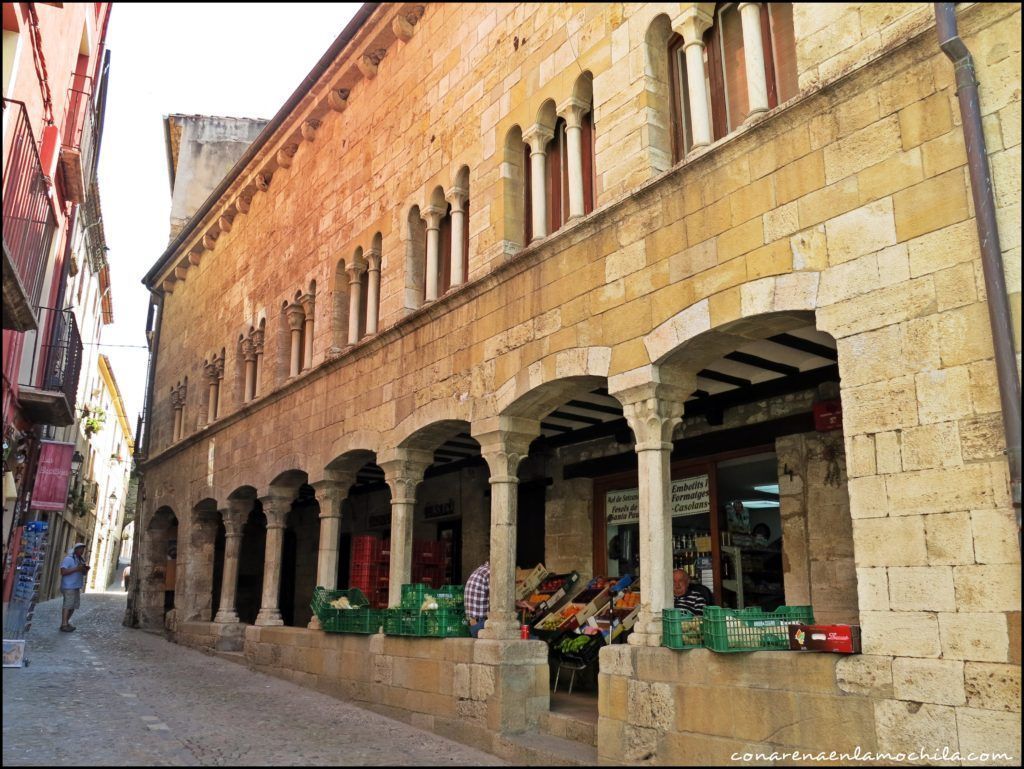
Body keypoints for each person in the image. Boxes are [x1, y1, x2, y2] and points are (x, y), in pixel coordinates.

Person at [59, 543, 90, 632]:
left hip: (76, 586)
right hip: (68, 586)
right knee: (67, 605)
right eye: (80, 549)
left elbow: (82, 573)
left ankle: (65, 622)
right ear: (75, 549)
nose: (82, 551)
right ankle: (64, 625)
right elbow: (63, 572)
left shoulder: (81, 560)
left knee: (73, 606)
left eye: (83, 549)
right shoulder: (68, 559)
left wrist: (85, 570)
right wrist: (76, 569)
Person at [465, 560, 490, 637]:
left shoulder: (481, 569)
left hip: (472, 624)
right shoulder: (490, 572)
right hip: (479, 625)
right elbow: (498, 603)